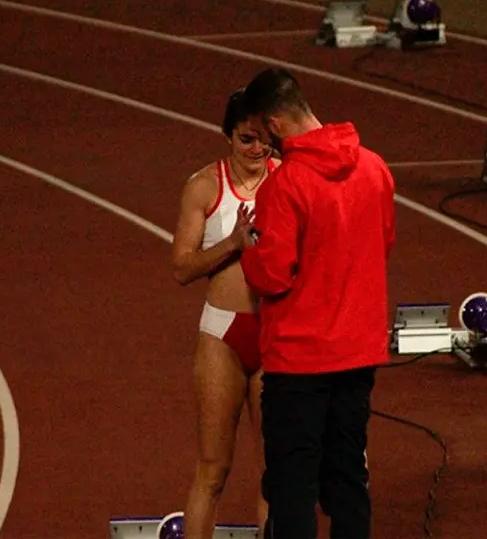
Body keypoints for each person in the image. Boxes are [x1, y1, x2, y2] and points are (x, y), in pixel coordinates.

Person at [235, 68, 397, 539]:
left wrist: (248, 248)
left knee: (292, 486)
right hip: (358, 353)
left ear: (275, 125)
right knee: (348, 476)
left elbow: (271, 273)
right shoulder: (374, 167)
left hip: (299, 361)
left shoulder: (284, 186)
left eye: (262, 135)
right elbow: (382, 243)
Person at [170, 89, 280, 539]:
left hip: (277, 335)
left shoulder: (289, 179)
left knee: (278, 474)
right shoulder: (205, 186)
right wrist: (233, 243)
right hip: (224, 336)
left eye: (263, 140)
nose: (256, 150)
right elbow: (181, 267)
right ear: (227, 138)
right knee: (213, 470)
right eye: (246, 140)